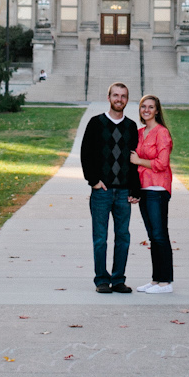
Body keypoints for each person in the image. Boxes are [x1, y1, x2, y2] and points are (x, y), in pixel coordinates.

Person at [79, 82, 140, 293]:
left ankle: (119, 279)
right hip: (102, 191)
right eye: (116, 95)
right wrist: (93, 181)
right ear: (109, 97)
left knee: (123, 236)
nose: (119, 99)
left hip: (123, 192)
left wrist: (135, 189)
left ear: (127, 99)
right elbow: (85, 154)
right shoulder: (96, 123)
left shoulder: (131, 127)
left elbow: (135, 161)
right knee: (100, 238)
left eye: (123, 96)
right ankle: (102, 280)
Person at [130, 93, 174, 294]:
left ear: (157, 110)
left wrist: (139, 161)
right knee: (152, 236)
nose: (146, 110)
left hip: (158, 189)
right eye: (143, 107)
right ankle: (156, 280)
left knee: (159, 235)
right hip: (145, 189)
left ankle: (166, 282)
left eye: (150, 107)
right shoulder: (139, 133)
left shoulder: (162, 133)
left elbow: (161, 164)